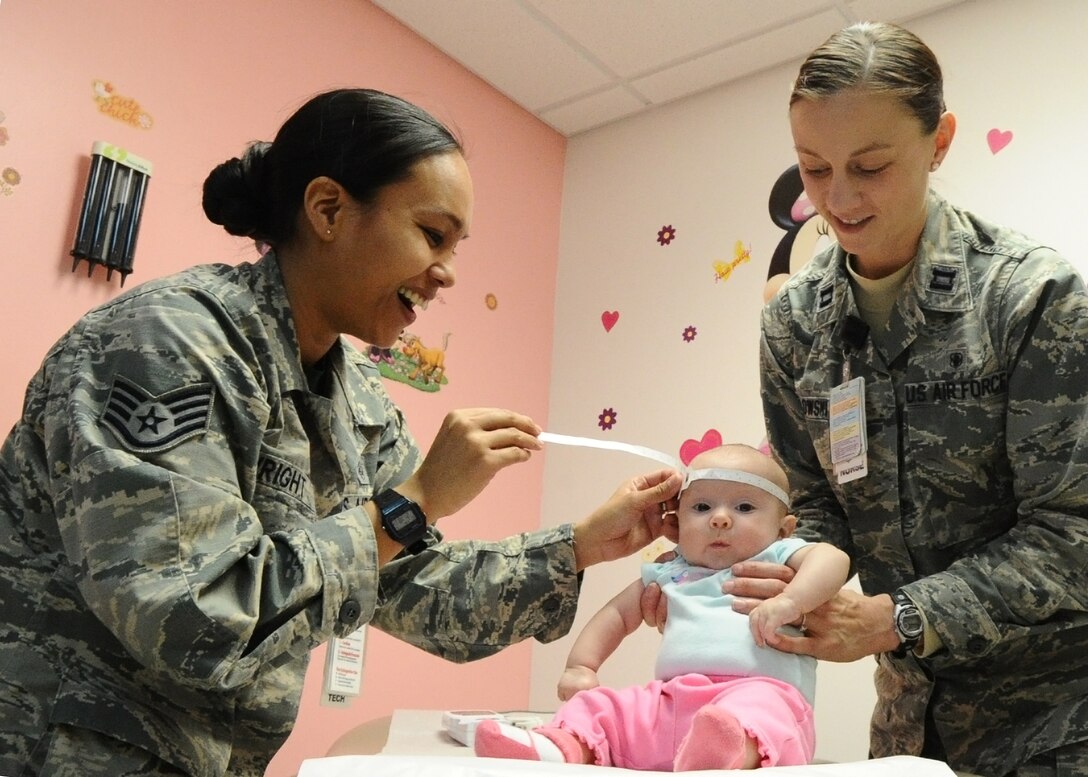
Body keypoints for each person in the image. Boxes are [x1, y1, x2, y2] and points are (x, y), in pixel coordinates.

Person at [0, 88, 682, 777]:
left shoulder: (357, 399)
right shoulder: (170, 342)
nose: (446, 272)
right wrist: (409, 501)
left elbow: (418, 586)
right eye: (432, 234)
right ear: (328, 210)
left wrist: (581, 545)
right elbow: (192, 620)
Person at [646, 21, 1088, 777]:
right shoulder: (794, 325)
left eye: (870, 166)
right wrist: (741, 554)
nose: (838, 199)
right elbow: (816, 505)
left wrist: (892, 617)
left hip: (1057, 717)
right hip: (908, 727)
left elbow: (1072, 533)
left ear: (939, 140)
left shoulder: (1030, 297)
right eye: (813, 168)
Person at [474, 444, 850, 771]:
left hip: (761, 692)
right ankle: (559, 746)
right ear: (676, 523)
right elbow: (617, 615)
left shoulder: (779, 556)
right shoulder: (672, 571)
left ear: (784, 528)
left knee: (761, 711)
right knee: (606, 706)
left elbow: (832, 560)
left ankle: (731, 749)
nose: (720, 518)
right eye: (702, 507)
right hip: (672, 700)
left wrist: (791, 600)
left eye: (744, 506)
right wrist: (582, 667)